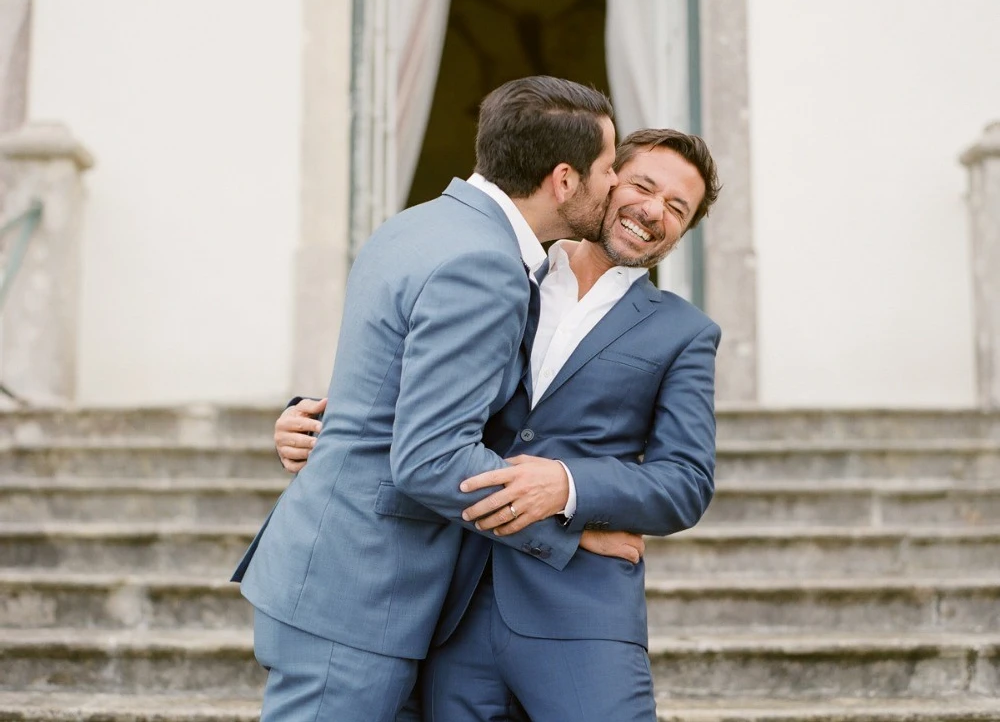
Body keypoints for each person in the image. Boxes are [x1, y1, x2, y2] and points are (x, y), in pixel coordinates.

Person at [275, 128, 723, 721]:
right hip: (447, 599)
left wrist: (569, 487)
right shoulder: (496, 270)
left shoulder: (685, 332)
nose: (652, 212)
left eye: (676, 208)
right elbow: (418, 394)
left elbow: (686, 482)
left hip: (581, 611)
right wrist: (316, 423)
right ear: (605, 178)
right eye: (643, 186)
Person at [231, 76, 638, 722]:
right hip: (360, 595)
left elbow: (386, 382)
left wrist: (316, 417)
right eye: (609, 168)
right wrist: (566, 527)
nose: (616, 183)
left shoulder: (419, 225)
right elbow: (429, 458)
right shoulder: (484, 265)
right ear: (564, 180)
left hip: (343, 578)